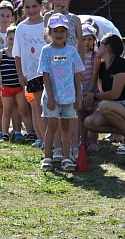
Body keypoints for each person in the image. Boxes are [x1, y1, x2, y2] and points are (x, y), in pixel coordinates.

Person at [83, 33, 125, 154]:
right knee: (90, 122)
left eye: (99, 44)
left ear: (107, 47)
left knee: (103, 106)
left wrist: (93, 96)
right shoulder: (103, 67)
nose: (97, 47)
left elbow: (114, 94)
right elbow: (102, 89)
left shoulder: (121, 64)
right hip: (121, 109)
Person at [38, 13, 83, 171]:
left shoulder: (71, 51)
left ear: (67, 33)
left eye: (62, 31)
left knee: (65, 127)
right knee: (52, 127)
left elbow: (77, 73)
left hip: (69, 97)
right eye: (55, 31)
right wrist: (50, 96)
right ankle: (47, 158)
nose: (59, 34)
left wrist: (79, 96)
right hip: (52, 99)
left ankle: (66, 157)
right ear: (49, 33)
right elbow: (46, 74)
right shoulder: (46, 51)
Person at [12, 0, 46, 147]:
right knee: (36, 105)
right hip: (31, 73)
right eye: (27, 7)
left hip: (50, 71)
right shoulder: (21, 27)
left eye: (34, 6)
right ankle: (41, 137)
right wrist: (20, 74)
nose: (31, 10)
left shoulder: (48, 23)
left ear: (41, 6)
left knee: (50, 105)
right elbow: (17, 53)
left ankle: (53, 137)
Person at [1, 26, 35, 144]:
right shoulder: (2, 54)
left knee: (23, 110)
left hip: (19, 87)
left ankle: (30, 132)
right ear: (6, 39)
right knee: (6, 111)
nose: (12, 42)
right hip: (6, 87)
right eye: (10, 39)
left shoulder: (21, 55)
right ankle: (5, 133)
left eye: (15, 40)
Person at [78, 23, 100, 152]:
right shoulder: (76, 54)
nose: (86, 42)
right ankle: (83, 141)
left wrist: (90, 92)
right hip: (79, 90)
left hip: (91, 90)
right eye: (84, 39)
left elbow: (94, 75)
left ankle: (94, 142)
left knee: (92, 117)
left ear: (94, 40)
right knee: (81, 117)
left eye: (89, 39)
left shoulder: (95, 56)